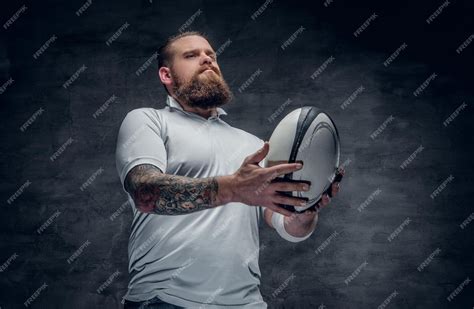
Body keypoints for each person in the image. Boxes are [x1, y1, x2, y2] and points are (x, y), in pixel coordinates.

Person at [115, 31, 343, 309]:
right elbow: (145, 192)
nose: (207, 60)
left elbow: (288, 227)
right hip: (163, 301)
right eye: (191, 55)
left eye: (211, 55)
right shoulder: (148, 120)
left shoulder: (254, 145)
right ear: (166, 75)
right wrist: (233, 188)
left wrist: (305, 207)